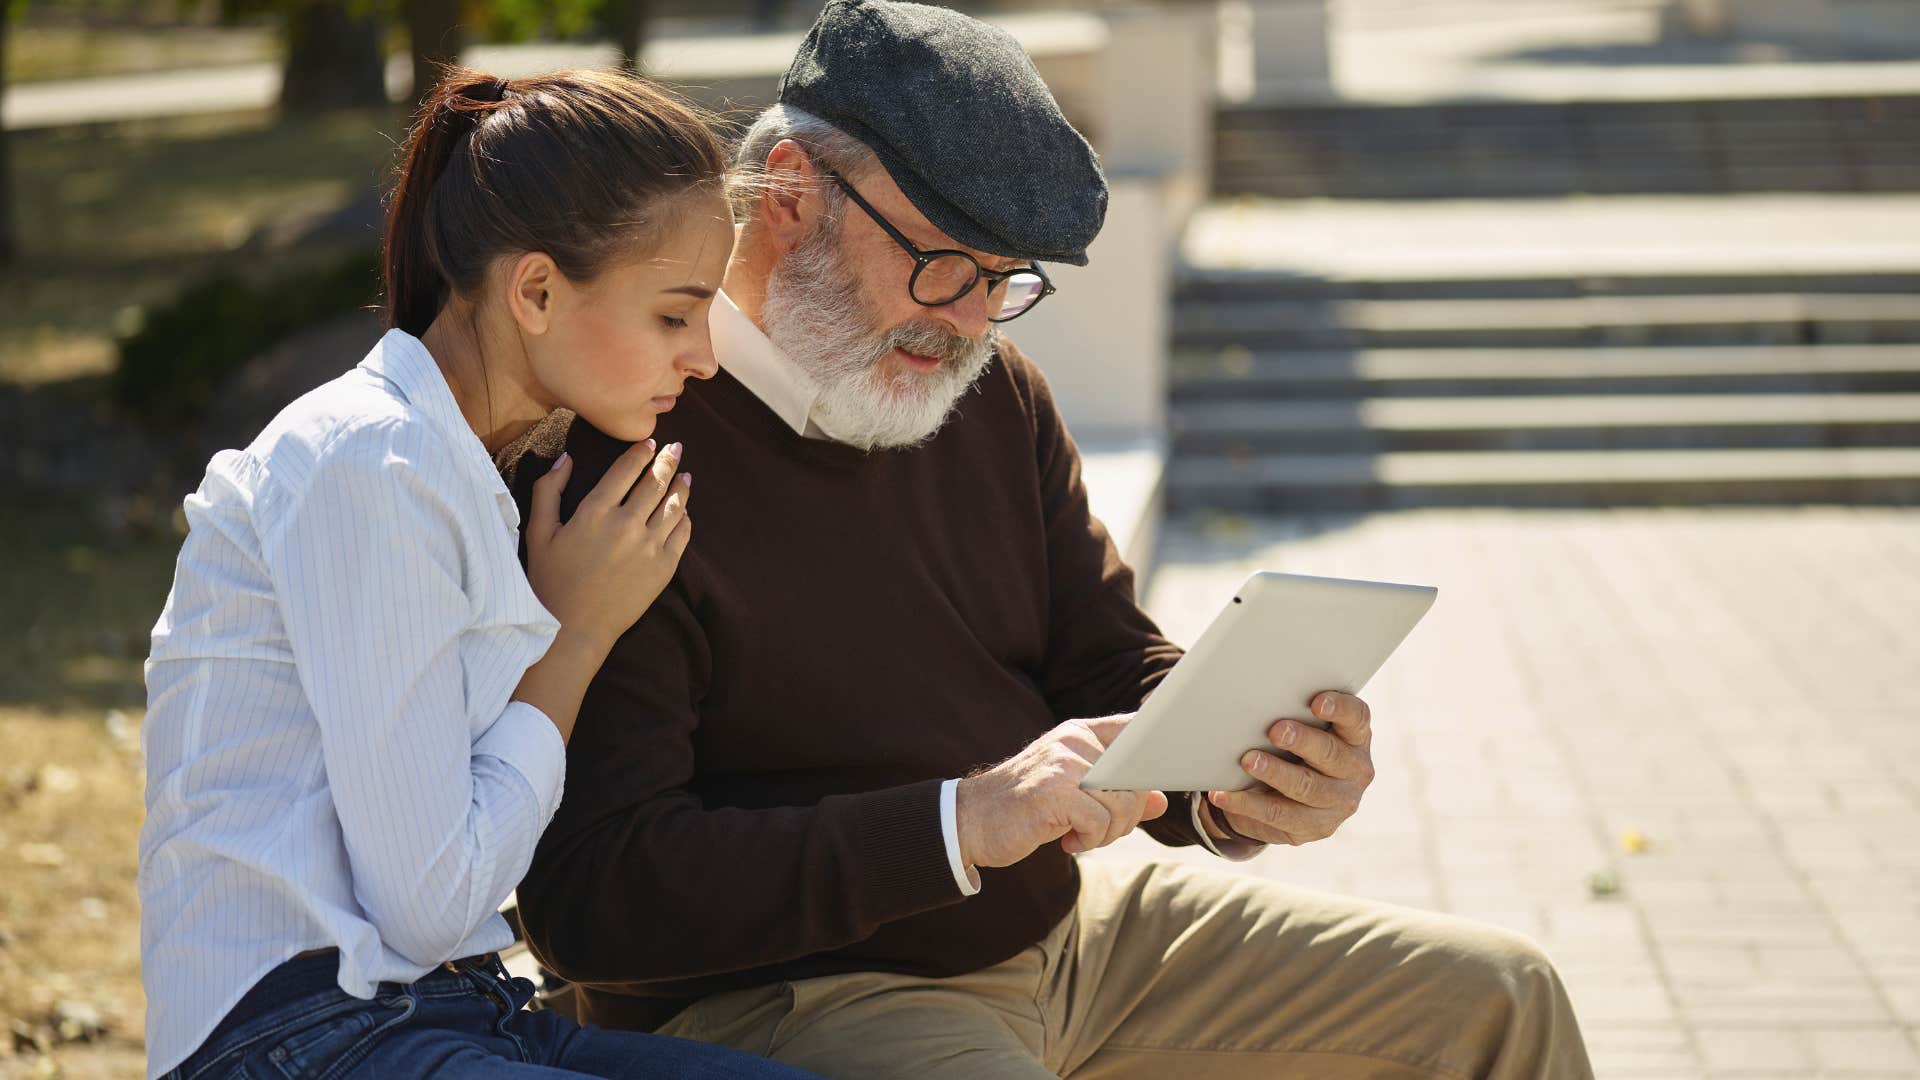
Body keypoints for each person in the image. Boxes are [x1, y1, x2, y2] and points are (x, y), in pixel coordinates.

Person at [499, 2, 1597, 1076]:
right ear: (788, 192)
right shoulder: (615, 461)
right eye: (943, 265)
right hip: (790, 993)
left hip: (1071, 930)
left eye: (1004, 278)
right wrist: (957, 824)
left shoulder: (987, 392)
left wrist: (1232, 774)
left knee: (1501, 997)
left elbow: (1103, 654)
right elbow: (595, 902)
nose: (972, 322)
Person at [138, 67, 820, 1080]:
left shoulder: (469, 465)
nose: (704, 360)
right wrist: (575, 632)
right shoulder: (374, 464)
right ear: (536, 290)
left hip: (450, 1012)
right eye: (676, 315)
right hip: (295, 1041)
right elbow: (432, 898)